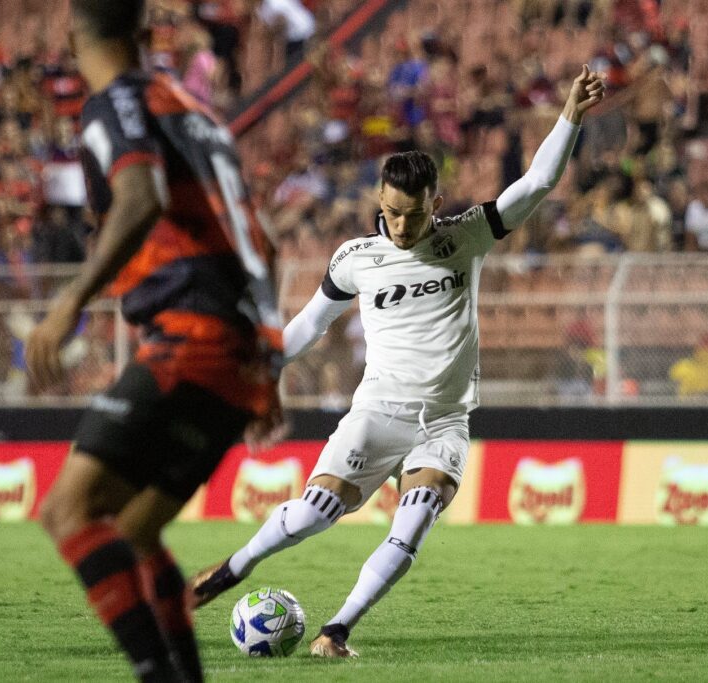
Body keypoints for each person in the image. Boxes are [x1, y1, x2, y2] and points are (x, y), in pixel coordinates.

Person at [187, 65, 606, 657]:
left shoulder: (465, 236)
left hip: (444, 421)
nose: (400, 225)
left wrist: (570, 115)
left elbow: (536, 182)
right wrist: (263, 365)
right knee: (314, 513)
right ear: (378, 201)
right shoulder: (356, 258)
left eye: (412, 213)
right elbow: (310, 323)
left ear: (435, 202)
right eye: (390, 212)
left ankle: (335, 631)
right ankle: (233, 568)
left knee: (411, 526)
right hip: (379, 410)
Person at [24, 2, 284, 681]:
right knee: (134, 534)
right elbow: (267, 242)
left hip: (189, 334)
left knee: (68, 509)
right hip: (236, 352)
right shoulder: (192, 109)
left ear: (72, 34)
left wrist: (67, 304)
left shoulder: (117, 104)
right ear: (144, 35)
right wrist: (268, 365)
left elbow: (140, 199)